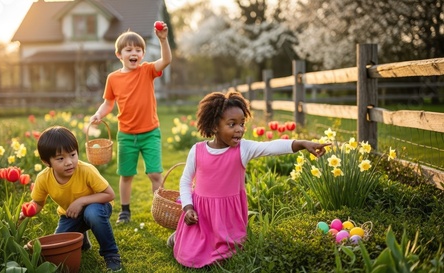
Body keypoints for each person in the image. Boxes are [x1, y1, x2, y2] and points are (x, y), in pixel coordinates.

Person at [167, 91, 330, 268]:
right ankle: (178, 237)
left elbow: (271, 146)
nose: (239, 129)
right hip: (202, 216)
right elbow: (185, 181)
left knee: (229, 251)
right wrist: (188, 207)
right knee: (190, 254)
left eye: (242, 124)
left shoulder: (243, 149)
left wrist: (302, 143)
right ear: (215, 126)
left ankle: (190, 239)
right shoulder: (197, 150)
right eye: (232, 124)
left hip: (228, 217)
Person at [89, 22, 172, 224]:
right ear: (120, 55)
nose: (133, 53)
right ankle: (125, 211)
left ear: (142, 54)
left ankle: (159, 207)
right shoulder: (113, 78)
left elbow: (166, 60)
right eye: (129, 50)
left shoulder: (147, 70)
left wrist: (163, 40)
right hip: (126, 135)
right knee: (126, 175)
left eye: (138, 50)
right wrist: (99, 114)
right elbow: (108, 103)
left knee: (154, 173)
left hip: (150, 132)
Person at [18, 126, 122, 272]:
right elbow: (38, 202)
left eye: (72, 155)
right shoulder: (43, 178)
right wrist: (27, 212)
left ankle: (111, 254)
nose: (69, 162)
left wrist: (80, 201)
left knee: (92, 213)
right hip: (70, 214)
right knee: (58, 245)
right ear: (47, 162)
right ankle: (82, 238)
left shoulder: (86, 170)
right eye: (60, 158)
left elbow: (109, 195)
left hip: (99, 207)